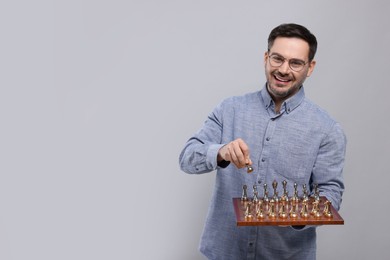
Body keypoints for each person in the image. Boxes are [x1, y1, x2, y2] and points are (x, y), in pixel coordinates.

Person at [179, 23, 346, 260]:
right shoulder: (229, 110)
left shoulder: (327, 130)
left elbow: (331, 192)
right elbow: (187, 157)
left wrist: (296, 216)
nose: (284, 70)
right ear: (266, 58)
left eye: (296, 63)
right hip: (224, 253)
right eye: (277, 58)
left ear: (310, 68)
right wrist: (221, 152)